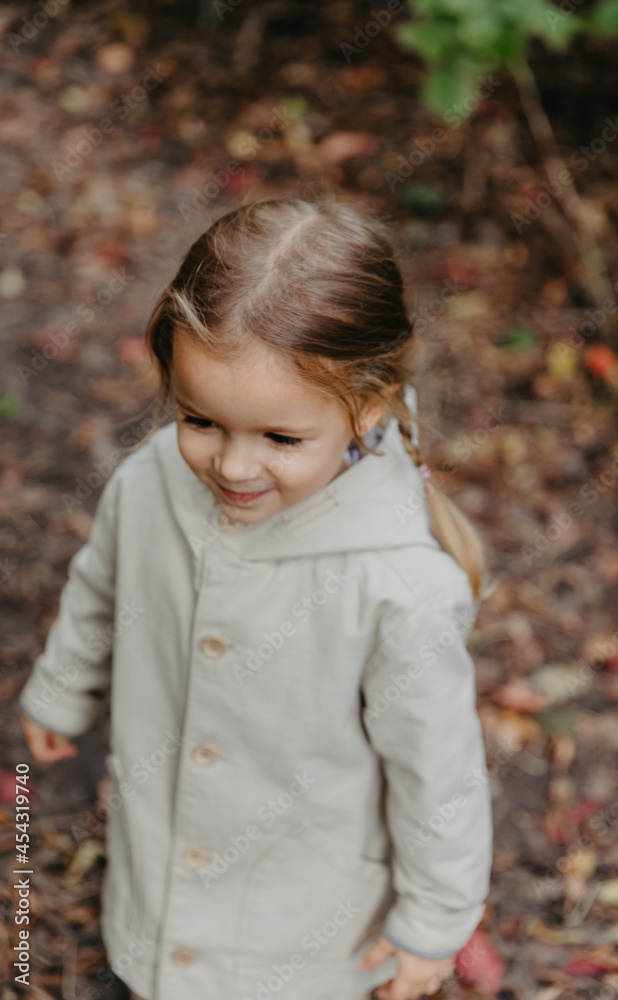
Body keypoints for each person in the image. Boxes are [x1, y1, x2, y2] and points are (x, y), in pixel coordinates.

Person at [19, 194, 496, 1000]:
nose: (234, 468)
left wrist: (434, 922)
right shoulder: (151, 480)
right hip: (159, 867)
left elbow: (437, 776)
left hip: (301, 930)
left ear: (366, 410)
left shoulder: (397, 589)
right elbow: (101, 584)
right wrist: (64, 686)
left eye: (280, 438)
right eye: (201, 420)